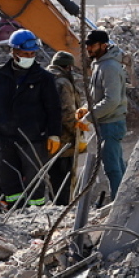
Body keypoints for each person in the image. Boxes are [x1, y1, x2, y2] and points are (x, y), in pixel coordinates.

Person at [0, 30, 62, 209]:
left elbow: (53, 108)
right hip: (6, 139)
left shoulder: (44, 78)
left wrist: (54, 134)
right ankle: (15, 214)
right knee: (9, 182)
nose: (29, 57)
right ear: (14, 52)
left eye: (32, 54)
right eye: (25, 54)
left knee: (35, 182)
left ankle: (36, 213)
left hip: (33, 139)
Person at [80, 30, 129, 200]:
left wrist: (87, 118)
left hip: (111, 123)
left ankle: (119, 206)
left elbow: (111, 101)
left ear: (104, 45)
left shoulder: (109, 67)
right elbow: (98, 96)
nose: (89, 49)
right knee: (117, 165)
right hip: (107, 123)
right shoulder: (100, 64)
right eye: (87, 46)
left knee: (113, 169)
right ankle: (124, 200)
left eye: (92, 46)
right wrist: (86, 108)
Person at [47, 51, 84, 205]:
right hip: (64, 141)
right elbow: (67, 114)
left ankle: (55, 207)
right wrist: (78, 134)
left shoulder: (43, 78)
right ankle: (63, 209)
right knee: (65, 181)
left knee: (52, 179)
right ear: (68, 67)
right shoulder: (63, 83)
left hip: (45, 139)